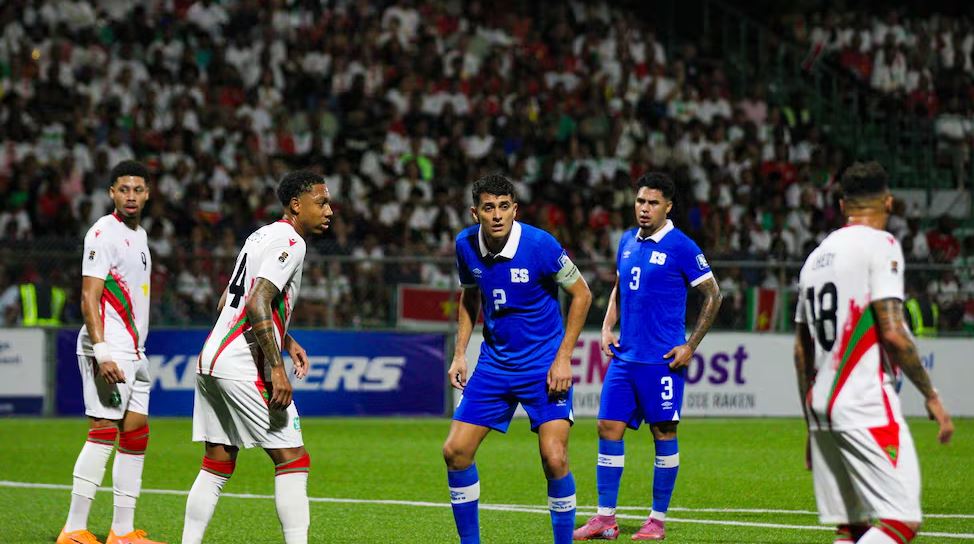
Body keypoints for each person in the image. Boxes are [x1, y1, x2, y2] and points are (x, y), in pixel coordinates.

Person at [793, 161, 953, 544]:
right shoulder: (881, 246)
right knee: (901, 520)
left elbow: (802, 352)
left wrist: (810, 423)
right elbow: (894, 334)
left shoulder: (815, 257)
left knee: (853, 527)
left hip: (822, 406)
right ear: (889, 202)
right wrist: (932, 396)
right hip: (864, 400)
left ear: (843, 203)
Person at [181, 170, 332, 544]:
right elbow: (257, 300)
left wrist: (286, 337)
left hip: (210, 359)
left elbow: (228, 302)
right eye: (322, 201)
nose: (329, 210)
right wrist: (277, 369)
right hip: (241, 364)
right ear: (297, 205)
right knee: (293, 459)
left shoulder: (260, 234)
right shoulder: (292, 242)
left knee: (217, 462)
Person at [443, 174, 592, 544]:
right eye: (489, 207)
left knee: (554, 458)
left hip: (543, 365)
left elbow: (582, 295)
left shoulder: (540, 244)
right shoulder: (465, 244)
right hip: (495, 364)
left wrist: (563, 359)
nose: (497, 215)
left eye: (504, 206)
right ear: (475, 212)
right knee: (455, 452)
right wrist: (461, 353)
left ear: (515, 209)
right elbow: (470, 296)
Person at [574, 172, 722, 541]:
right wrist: (607, 326)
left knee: (663, 433)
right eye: (640, 201)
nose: (644, 208)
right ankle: (605, 519)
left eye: (653, 203)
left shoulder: (682, 246)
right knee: (607, 428)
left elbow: (713, 295)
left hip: (661, 361)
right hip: (626, 359)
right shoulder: (626, 240)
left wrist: (690, 345)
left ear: (667, 207)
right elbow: (620, 287)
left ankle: (656, 521)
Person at [59, 160, 163, 544]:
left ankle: (122, 531)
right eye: (124, 189)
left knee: (135, 432)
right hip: (109, 347)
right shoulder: (102, 232)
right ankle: (73, 529)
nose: (131, 196)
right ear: (111, 193)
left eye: (138, 189)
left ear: (148, 193)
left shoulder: (140, 236)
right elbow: (89, 296)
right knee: (103, 430)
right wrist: (102, 352)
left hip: (135, 349)